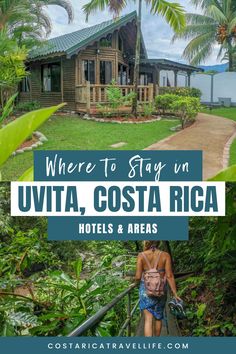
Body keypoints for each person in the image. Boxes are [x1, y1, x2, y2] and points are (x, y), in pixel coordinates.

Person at [135, 240, 181, 337]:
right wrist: (175, 293)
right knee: (158, 317)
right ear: (158, 242)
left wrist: (134, 283)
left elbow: (138, 276)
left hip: (145, 290)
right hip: (161, 289)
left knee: (148, 319)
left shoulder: (141, 255)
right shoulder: (165, 255)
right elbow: (169, 275)